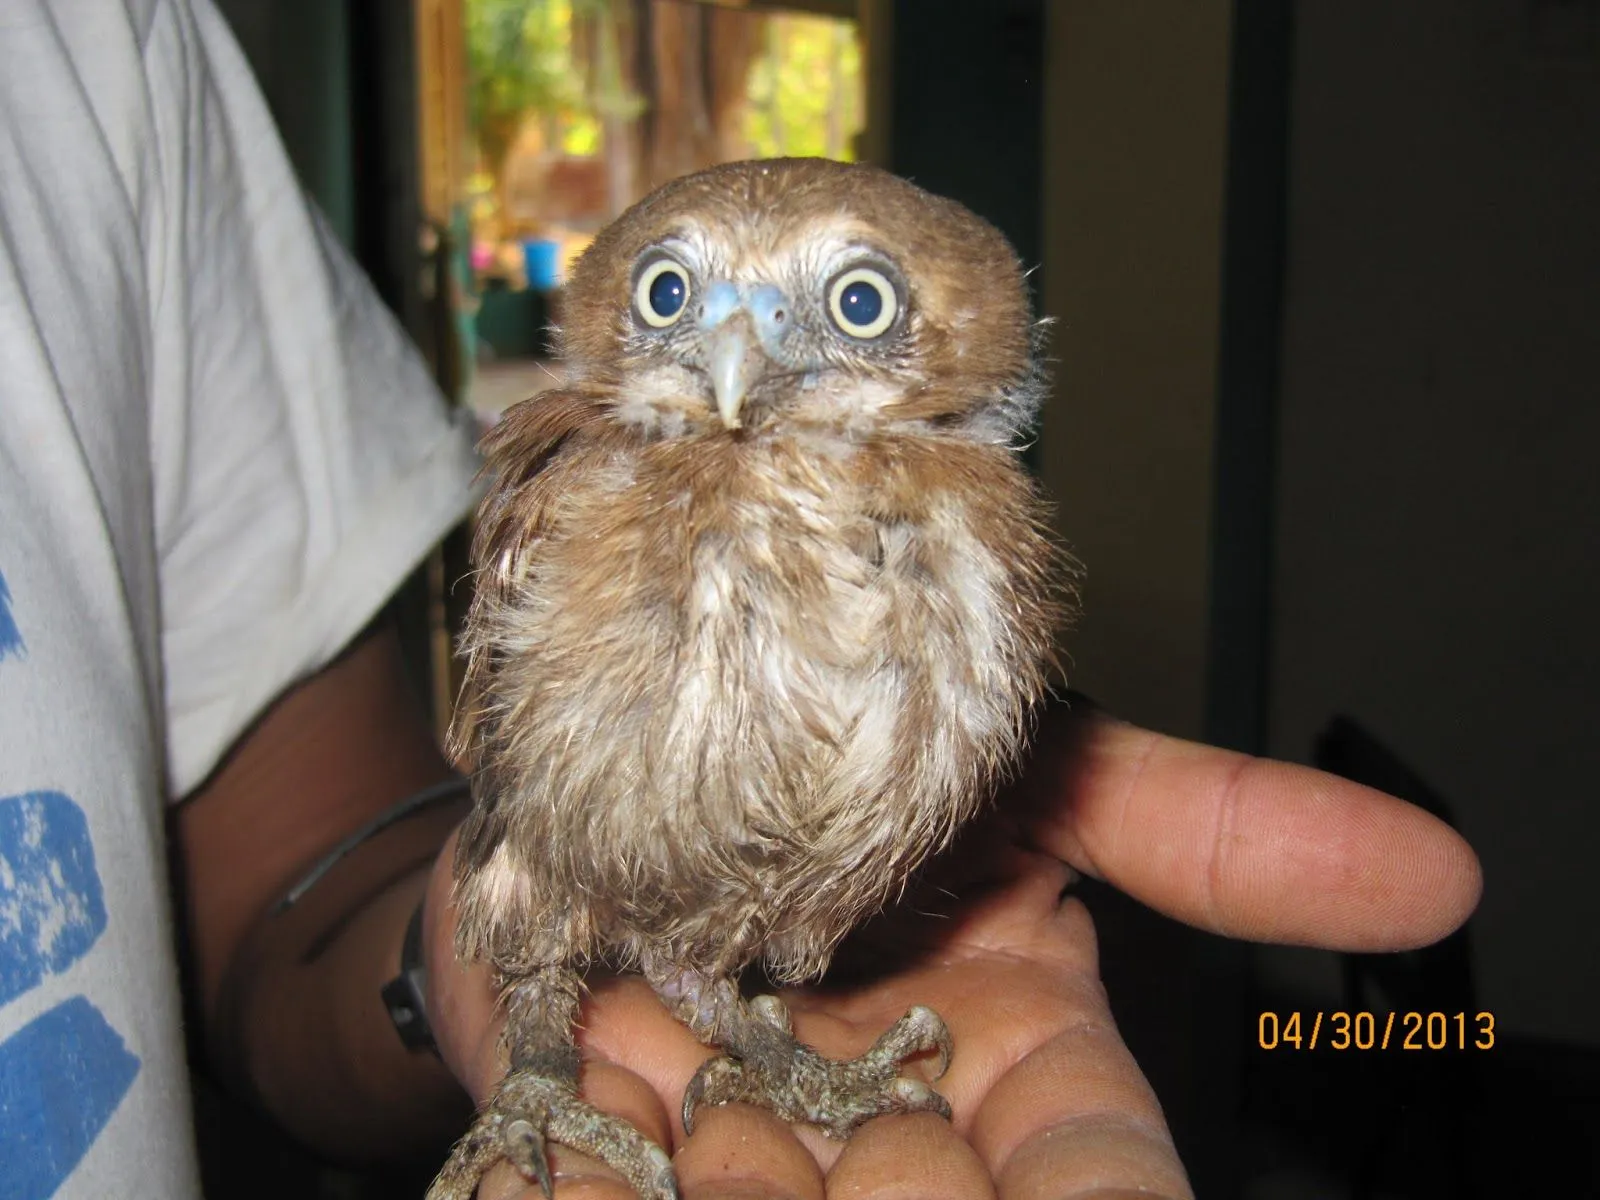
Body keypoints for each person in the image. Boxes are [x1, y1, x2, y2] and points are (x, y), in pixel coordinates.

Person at [0, 2, 1482, 1198]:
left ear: (958, 332)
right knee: (555, 931)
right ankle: (542, 1077)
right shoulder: (591, 490)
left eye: (850, 306)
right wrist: (529, 1059)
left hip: (751, 941)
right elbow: (518, 844)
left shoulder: (981, 533)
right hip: (544, 901)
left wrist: (763, 1022)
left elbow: (297, 855)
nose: (739, 352)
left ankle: (752, 1041)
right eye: (671, 296)